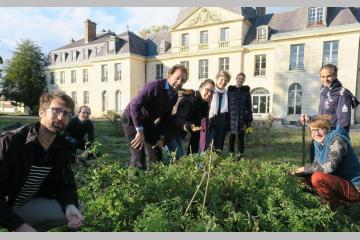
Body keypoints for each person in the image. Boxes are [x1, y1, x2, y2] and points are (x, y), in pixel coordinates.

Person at [0, 90, 84, 232]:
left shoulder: (62, 147)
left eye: (66, 114)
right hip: (5, 204)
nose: (61, 117)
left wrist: (69, 206)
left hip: (24, 205)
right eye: (56, 111)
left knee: (77, 207)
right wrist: (19, 226)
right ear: (41, 112)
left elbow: (66, 185)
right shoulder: (11, 142)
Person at [122, 64, 188, 170]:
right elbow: (134, 105)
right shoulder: (154, 86)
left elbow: (165, 119)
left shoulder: (174, 96)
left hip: (147, 122)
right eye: (177, 78)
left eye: (183, 80)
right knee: (139, 158)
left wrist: (161, 138)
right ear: (170, 75)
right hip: (132, 119)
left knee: (156, 154)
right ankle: (134, 184)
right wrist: (139, 132)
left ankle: (154, 184)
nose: (180, 82)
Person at [293, 115, 360, 208]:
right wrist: (296, 173)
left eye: (319, 129)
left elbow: (329, 167)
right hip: (338, 182)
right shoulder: (317, 143)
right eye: (313, 130)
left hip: (355, 187)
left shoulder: (337, 141)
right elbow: (316, 165)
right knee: (302, 180)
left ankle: (335, 209)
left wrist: (305, 169)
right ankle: (313, 205)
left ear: (327, 129)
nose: (316, 133)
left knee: (317, 178)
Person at [300, 64, 359, 161]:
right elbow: (322, 115)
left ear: (335, 76)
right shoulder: (324, 91)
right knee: (314, 153)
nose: (325, 79)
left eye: (329, 76)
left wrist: (337, 140)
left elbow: (343, 122)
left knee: (328, 165)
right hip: (321, 133)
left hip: (333, 135)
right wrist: (310, 118)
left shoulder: (342, 93)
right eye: (322, 76)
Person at [169, 79, 215, 156]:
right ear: (200, 88)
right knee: (178, 158)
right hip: (174, 132)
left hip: (191, 135)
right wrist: (188, 125)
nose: (209, 93)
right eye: (207, 90)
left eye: (212, 91)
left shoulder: (205, 103)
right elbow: (178, 119)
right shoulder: (189, 100)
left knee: (191, 157)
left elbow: (203, 123)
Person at [227, 72, 253, 159]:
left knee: (241, 139)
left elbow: (249, 107)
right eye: (239, 78)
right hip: (231, 119)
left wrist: (249, 120)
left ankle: (240, 156)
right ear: (236, 79)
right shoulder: (230, 91)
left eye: (242, 79)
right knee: (231, 139)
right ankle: (231, 156)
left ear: (244, 81)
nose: (240, 80)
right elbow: (226, 105)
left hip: (242, 120)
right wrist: (226, 118)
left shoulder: (246, 92)